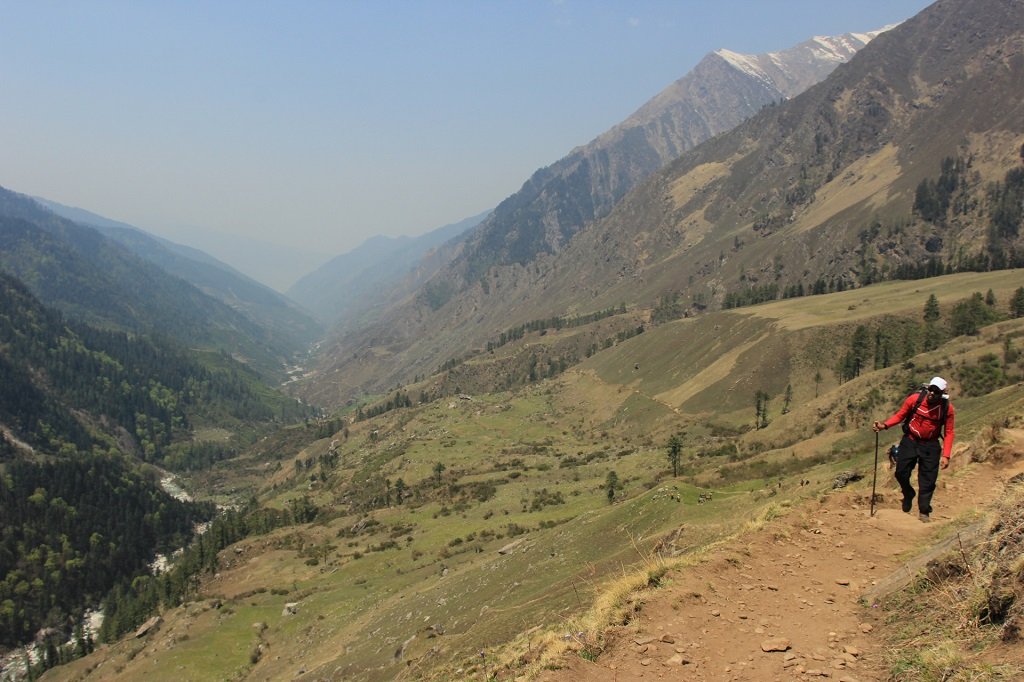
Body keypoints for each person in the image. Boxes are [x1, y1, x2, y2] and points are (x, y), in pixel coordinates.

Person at [872, 376, 955, 523]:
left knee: (928, 481)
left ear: (941, 393)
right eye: (931, 389)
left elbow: (949, 432)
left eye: (936, 391)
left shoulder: (947, 409)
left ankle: (924, 512)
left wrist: (946, 455)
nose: (932, 393)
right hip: (910, 441)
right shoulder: (914, 400)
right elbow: (900, 416)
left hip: (930, 446)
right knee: (900, 472)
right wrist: (884, 425)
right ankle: (908, 493)